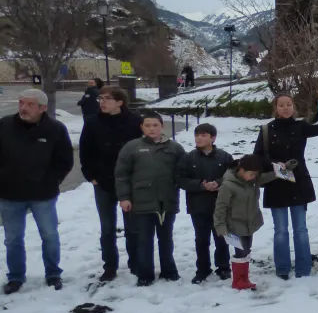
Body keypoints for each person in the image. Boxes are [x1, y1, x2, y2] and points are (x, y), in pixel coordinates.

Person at [0, 89, 74, 295]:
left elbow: (65, 160)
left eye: (30, 104)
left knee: (49, 235)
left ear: (43, 108)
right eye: (21, 103)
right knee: (13, 238)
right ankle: (15, 277)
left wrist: (52, 180)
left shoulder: (56, 129)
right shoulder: (5, 126)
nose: (23, 108)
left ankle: (53, 273)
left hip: (43, 193)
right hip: (10, 193)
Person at [253, 90, 318, 279]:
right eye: (281, 105)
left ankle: (303, 268)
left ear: (293, 107)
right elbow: (257, 157)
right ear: (276, 108)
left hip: (298, 183)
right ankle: (282, 269)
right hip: (276, 183)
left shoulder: (301, 126)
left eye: (289, 104)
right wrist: (273, 164)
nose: (286, 108)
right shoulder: (267, 129)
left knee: (301, 229)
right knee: (280, 230)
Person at [114, 111, 186, 287]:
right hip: (141, 202)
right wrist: (124, 197)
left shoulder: (174, 148)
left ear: (162, 126)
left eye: (155, 125)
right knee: (144, 240)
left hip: (166, 202)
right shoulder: (132, 147)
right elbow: (122, 174)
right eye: (148, 125)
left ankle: (169, 270)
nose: (152, 128)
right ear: (142, 127)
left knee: (166, 239)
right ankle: (145, 273)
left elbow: (184, 173)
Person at [79, 86, 143, 281]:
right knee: (107, 228)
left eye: (107, 98)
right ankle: (110, 266)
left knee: (132, 227)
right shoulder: (92, 123)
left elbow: (143, 150)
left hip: (129, 183)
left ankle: (135, 263)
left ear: (120, 102)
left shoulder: (135, 122)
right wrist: (91, 176)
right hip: (103, 182)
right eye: (100, 99)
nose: (102, 102)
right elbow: (85, 152)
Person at [177, 123, 235, 283]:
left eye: (203, 135)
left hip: (220, 205)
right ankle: (202, 269)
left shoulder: (224, 157)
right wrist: (200, 185)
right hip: (198, 205)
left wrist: (218, 182)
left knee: (221, 238)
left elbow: (232, 175)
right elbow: (181, 179)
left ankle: (223, 268)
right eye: (197, 135)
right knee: (201, 239)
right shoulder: (189, 158)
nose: (199, 138)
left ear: (213, 138)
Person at [213, 154, 277, 291]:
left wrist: (281, 170)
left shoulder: (252, 182)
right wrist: (220, 226)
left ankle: (244, 278)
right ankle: (237, 280)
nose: (254, 177)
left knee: (247, 251)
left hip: (250, 223)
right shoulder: (228, 186)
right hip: (234, 226)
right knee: (240, 252)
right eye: (251, 174)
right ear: (241, 170)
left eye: (256, 174)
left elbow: (265, 178)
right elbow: (220, 207)